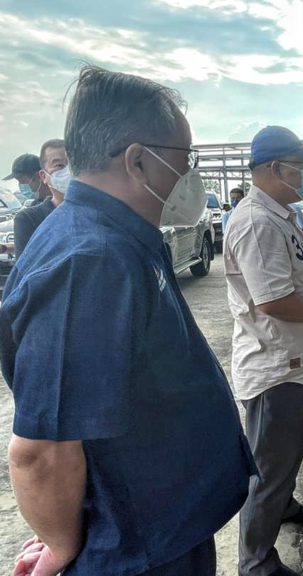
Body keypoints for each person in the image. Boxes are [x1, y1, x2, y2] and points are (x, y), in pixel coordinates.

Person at [1, 66, 254, 576]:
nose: (191, 174)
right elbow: (41, 452)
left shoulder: (121, 238)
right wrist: (61, 545)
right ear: (138, 162)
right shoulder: (89, 262)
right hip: (136, 552)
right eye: (186, 158)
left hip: (164, 530)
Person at [224, 125, 303, 576]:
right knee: (269, 469)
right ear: (275, 169)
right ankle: (256, 562)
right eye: (300, 168)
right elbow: (273, 301)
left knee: (284, 456)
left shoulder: (279, 214)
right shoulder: (257, 222)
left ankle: (283, 505)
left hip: (297, 363)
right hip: (279, 370)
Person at [13, 139, 70, 258]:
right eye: (59, 165)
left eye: (72, 164)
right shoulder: (29, 219)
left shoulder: (98, 213)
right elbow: (25, 272)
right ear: (43, 176)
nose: (68, 171)